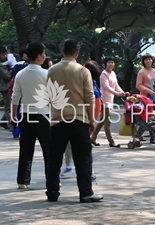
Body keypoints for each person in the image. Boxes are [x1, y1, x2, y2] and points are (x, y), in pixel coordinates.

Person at [45, 39, 103, 203]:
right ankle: (85, 193)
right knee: (83, 158)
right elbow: (89, 97)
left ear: (63, 51)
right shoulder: (83, 71)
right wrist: (92, 119)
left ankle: (52, 193)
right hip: (79, 119)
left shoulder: (52, 70)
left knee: (54, 158)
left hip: (58, 121)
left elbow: (49, 95)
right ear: (77, 53)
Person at [11, 41, 51, 190]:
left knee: (26, 149)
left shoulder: (20, 74)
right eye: (44, 54)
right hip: (43, 115)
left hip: (26, 115)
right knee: (49, 150)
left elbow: (16, 97)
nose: (45, 56)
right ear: (39, 56)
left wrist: (14, 116)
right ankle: (52, 179)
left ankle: (23, 181)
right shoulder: (46, 74)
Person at [61, 60, 100, 180]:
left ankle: (86, 170)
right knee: (83, 145)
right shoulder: (88, 81)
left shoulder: (87, 82)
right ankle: (82, 169)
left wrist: (91, 118)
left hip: (83, 113)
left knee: (78, 144)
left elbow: (91, 99)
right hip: (87, 112)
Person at [90, 56, 128, 148]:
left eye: (112, 62)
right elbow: (106, 87)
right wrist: (117, 93)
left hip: (110, 100)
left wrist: (122, 92)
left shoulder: (113, 73)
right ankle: (111, 142)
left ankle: (93, 138)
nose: (111, 64)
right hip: (105, 100)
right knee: (107, 123)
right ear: (105, 64)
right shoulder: (104, 74)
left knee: (102, 121)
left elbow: (116, 85)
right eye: (109, 62)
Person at [136, 53, 155, 144]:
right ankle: (142, 135)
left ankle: (150, 136)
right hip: (145, 98)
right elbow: (138, 85)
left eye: (150, 59)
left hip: (154, 97)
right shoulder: (142, 72)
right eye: (146, 59)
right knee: (146, 117)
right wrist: (148, 91)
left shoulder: (154, 71)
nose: (148, 61)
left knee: (153, 116)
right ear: (143, 61)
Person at [0, 46, 12, 130]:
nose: (5, 56)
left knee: (10, 105)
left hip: (11, 86)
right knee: (9, 107)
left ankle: (3, 121)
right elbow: (7, 75)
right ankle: (12, 125)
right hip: (5, 87)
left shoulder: (9, 60)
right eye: (2, 54)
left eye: (5, 54)